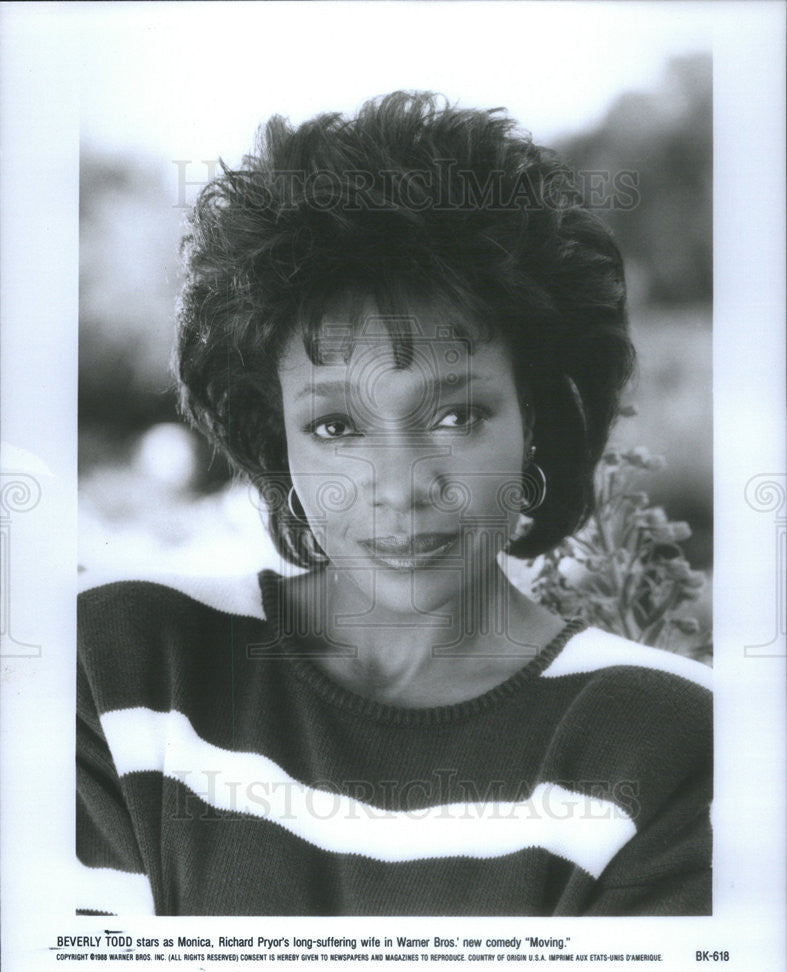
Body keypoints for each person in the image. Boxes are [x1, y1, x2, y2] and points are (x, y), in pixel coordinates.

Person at [76, 92, 712, 916]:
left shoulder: (667, 740)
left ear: (535, 420)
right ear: (279, 441)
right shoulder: (119, 666)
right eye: (335, 424)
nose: (401, 482)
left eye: (456, 416)